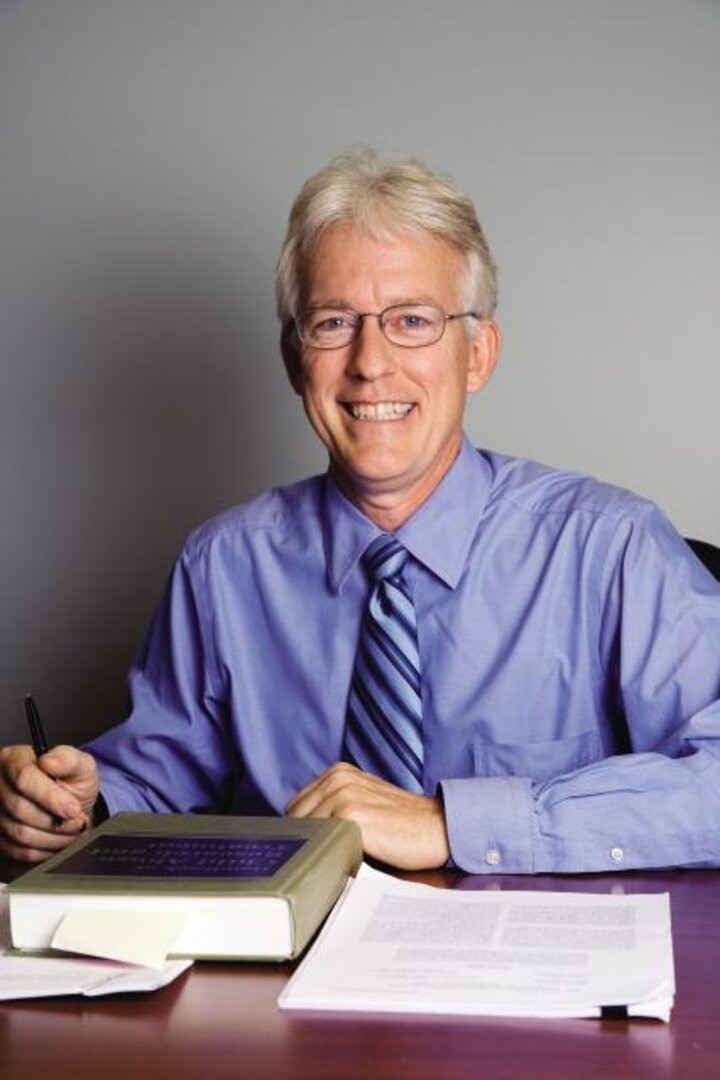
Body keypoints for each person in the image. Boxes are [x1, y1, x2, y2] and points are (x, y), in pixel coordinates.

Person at [2, 150, 719, 872]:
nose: (370, 362)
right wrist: (73, 809)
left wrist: (452, 825)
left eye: (411, 320)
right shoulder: (223, 566)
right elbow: (156, 777)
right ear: (294, 360)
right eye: (334, 323)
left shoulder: (612, 548)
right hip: (283, 977)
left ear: (478, 353)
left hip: (532, 971)